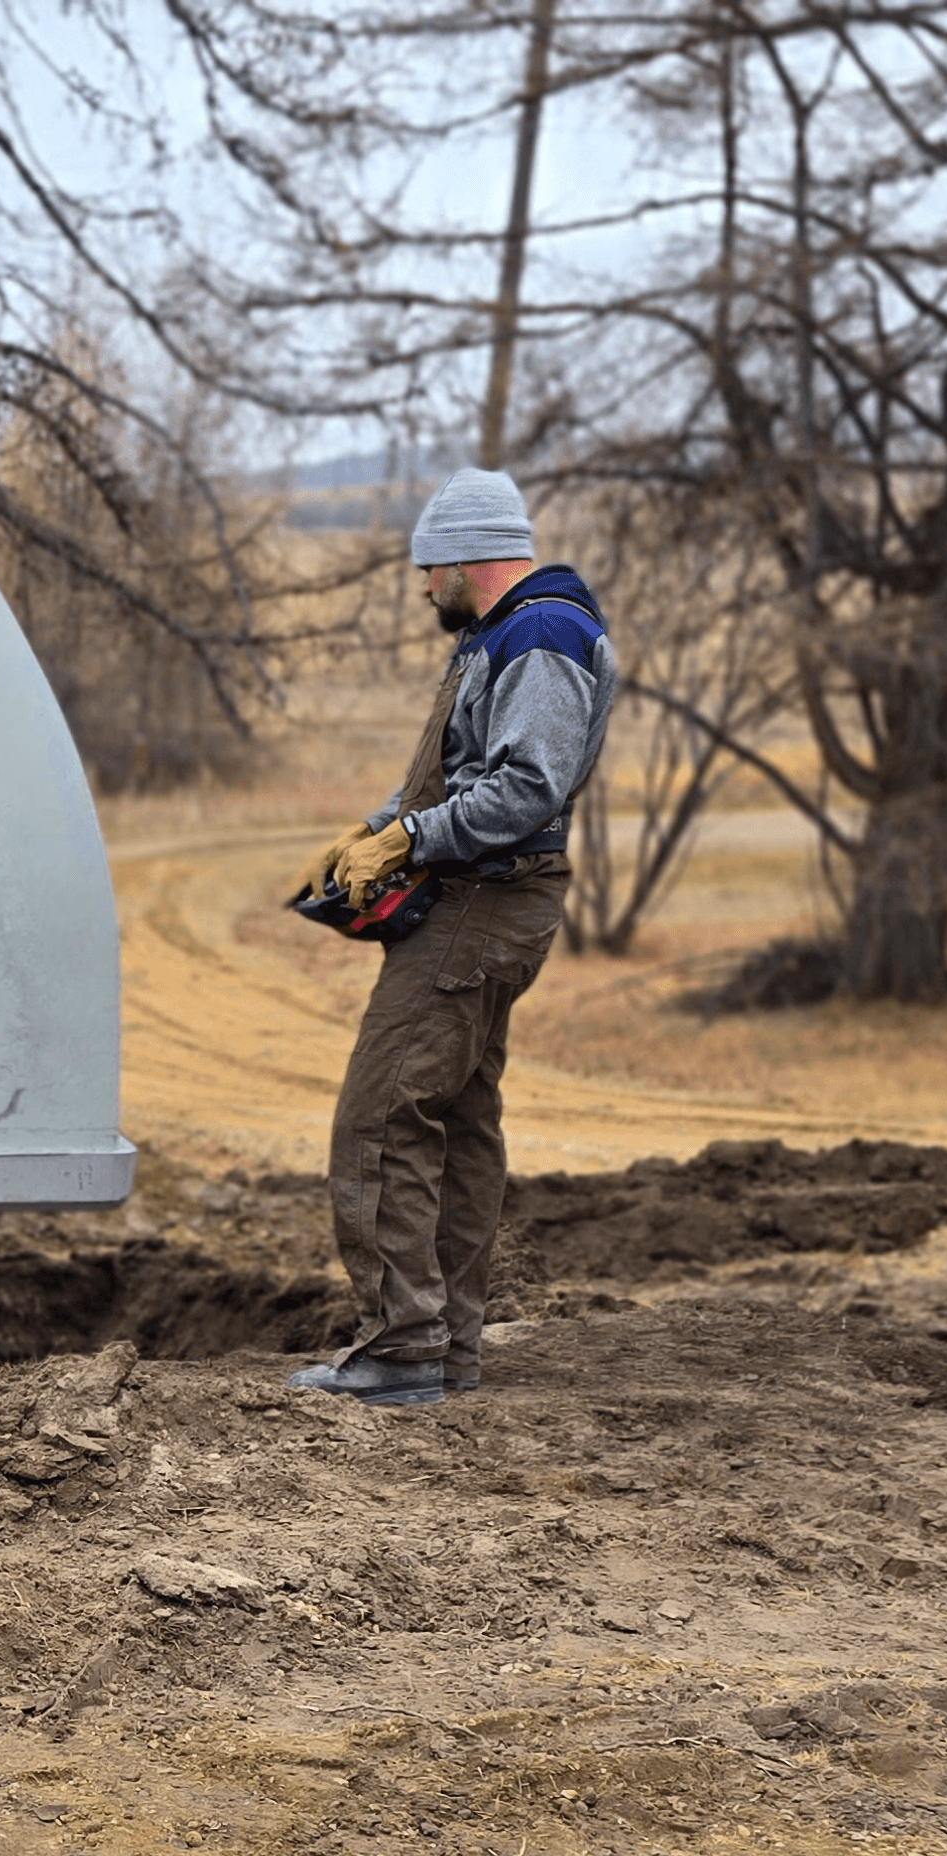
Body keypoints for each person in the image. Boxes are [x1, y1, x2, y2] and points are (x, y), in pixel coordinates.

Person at [289, 467, 615, 1408]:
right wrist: (376, 828)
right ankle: (448, 1350)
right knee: (458, 1124)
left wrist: (411, 839)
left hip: (483, 903)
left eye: (428, 568)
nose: (421, 586)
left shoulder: (540, 634)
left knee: (383, 1120)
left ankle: (402, 1349)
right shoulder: (501, 634)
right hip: (481, 898)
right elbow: (460, 769)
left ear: (466, 559)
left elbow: (525, 789)